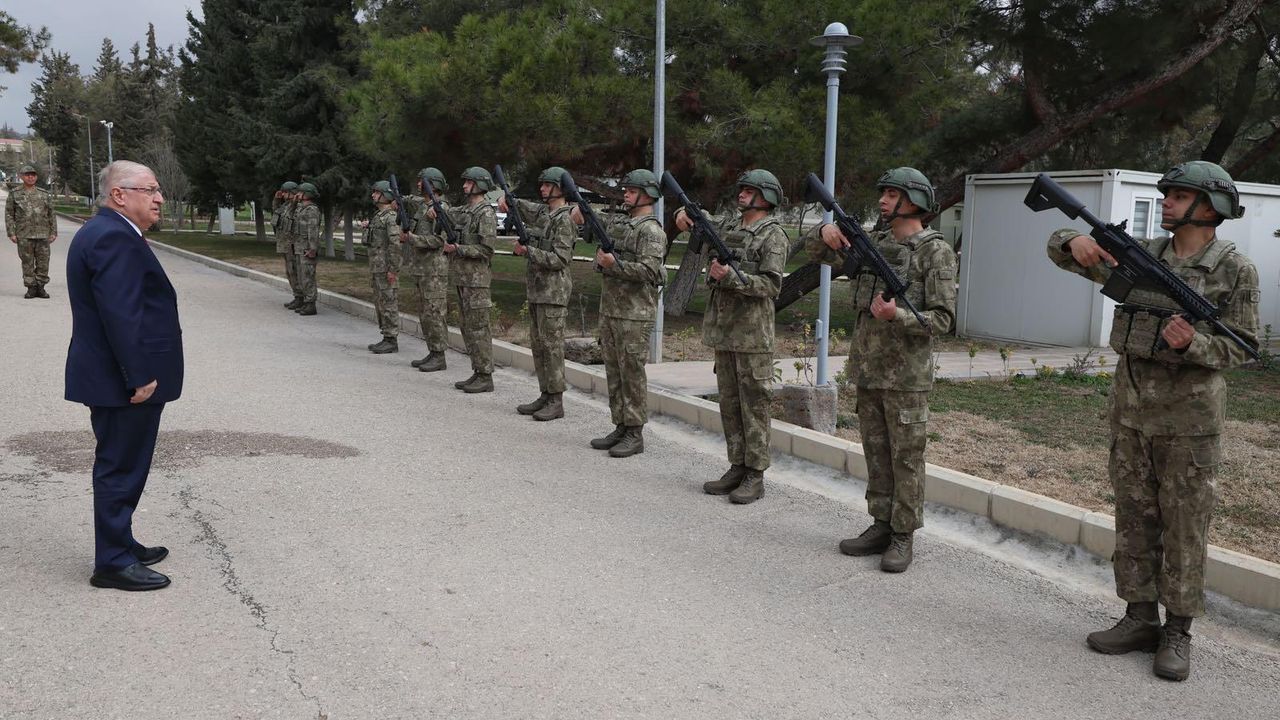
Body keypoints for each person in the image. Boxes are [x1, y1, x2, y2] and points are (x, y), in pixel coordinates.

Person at [1048, 160, 1259, 681]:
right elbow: (1059, 250)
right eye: (1165, 194)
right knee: (1134, 518)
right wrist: (1071, 240)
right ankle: (1139, 617)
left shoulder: (1235, 269)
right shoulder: (1142, 256)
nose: (1164, 201)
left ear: (1208, 207)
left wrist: (1196, 345)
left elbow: (1246, 349)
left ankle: (1178, 632)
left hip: (1189, 423)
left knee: (1185, 528)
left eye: (1177, 195)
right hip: (1131, 413)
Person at [807, 168, 957, 573]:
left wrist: (898, 316)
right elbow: (818, 253)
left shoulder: (934, 251)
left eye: (892, 194)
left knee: (905, 457)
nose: (883, 201)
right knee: (876, 453)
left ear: (914, 201)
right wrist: (823, 235)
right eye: (884, 194)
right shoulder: (874, 243)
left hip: (907, 376)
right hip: (869, 370)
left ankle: (903, 535)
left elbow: (943, 320)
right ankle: (881, 523)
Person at [65, 160, 183, 591]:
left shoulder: (109, 232)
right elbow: (121, 314)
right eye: (149, 189)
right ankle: (112, 562)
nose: (159, 198)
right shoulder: (114, 237)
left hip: (115, 375)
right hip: (122, 380)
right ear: (119, 195)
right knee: (119, 466)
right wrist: (139, 375)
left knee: (126, 463)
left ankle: (120, 541)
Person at [673, 170, 789, 504]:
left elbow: (771, 285)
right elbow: (704, 222)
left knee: (754, 406)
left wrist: (730, 277)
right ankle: (737, 465)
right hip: (725, 333)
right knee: (730, 405)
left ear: (766, 197)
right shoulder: (730, 227)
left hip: (753, 336)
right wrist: (685, 214)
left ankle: (756, 474)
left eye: (750, 190)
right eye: (742, 189)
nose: (742, 194)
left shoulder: (774, 235)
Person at [587, 168, 666, 457]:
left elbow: (649, 271)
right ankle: (620, 424)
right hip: (611, 311)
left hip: (635, 315)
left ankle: (635, 432)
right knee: (614, 372)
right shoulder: (624, 225)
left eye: (631, 191)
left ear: (646, 195)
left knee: (632, 375)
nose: (625, 195)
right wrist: (603, 262)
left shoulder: (651, 231)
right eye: (626, 190)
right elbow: (603, 260)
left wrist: (613, 264)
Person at [498, 166, 575, 420]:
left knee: (552, 347)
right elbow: (522, 206)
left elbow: (560, 259)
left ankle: (556, 400)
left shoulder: (565, 219)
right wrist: (508, 200)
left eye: (546, 185)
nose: (541, 189)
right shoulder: (546, 213)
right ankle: (545, 393)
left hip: (553, 293)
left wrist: (528, 251)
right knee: (539, 346)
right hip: (537, 291)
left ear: (559, 189)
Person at [428, 166, 497, 393]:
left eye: (469, 182)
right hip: (463, 278)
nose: (464, 186)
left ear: (480, 185)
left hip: (477, 281)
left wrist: (459, 248)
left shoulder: (485, 213)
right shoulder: (468, 210)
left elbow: (486, 250)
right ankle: (477, 370)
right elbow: (448, 214)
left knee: (478, 328)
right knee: (467, 327)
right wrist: (435, 210)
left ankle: (485, 375)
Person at [406, 168, 452, 372]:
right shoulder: (423, 206)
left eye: (422, 181)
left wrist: (411, 239)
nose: (418, 184)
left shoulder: (441, 208)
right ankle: (432, 351)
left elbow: (440, 240)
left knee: (435, 313)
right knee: (425, 313)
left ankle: (439, 355)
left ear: (433, 185)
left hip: (434, 270)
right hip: (421, 268)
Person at [5, 163, 57, 299]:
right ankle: (31, 288)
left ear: (36, 177)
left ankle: (41, 287)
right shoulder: (15, 194)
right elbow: (9, 214)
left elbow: (51, 213)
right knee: (27, 262)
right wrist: (11, 232)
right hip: (24, 234)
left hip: (43, 233)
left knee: (43, 262)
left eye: (33, 175)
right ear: (22, 177)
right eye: (27, 175)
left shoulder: (44, 194)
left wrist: (53, 232)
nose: (30, 177)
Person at [366, 181, 403, 353]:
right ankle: (386, 336)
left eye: (376, 192)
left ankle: (391, 339)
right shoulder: (379, 216)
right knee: (381, 303)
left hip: (385, 268)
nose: (373, 195)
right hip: (377, 267)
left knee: (389, 303)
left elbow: (395, 245)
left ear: (385, 195)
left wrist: (393, 269)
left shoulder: (391, 217)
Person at [293, 182, 322, 316]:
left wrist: (313, 248)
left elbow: (313, 230)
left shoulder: (312, 210)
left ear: (307, 194)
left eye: (300, 192)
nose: (297, 194)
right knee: (301, 276)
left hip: (307, 248)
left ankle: (311, 304)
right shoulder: (301, 208)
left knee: (307, 276)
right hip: (300, 247)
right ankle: (305, 301)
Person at [275, 181, 302, 310]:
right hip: (285, 243)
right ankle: (297, 296)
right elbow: (276, 213)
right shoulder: (285, 205)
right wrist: (276, 199)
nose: (284, 194)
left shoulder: (298, 206)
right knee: (289, 271)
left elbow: (292, 218)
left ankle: (301, 297)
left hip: (292, 243)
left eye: (286, 192)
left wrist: (295, 202)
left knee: (295, 271)